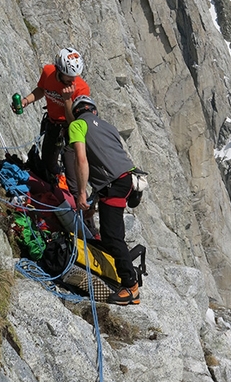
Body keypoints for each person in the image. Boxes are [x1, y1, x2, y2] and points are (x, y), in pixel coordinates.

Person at [68, 95, 140, 306]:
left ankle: (130, 286)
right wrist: (95, 201)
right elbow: (110, 159)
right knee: (114, 230)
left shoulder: (77, 125)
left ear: (77, 112)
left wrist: (82, 193)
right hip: (127, 180)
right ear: (94, 111)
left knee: (111, 236)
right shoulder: (109, 128)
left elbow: (81, 159)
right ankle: (124, 274)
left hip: (114, 184)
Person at [15, 48, 90, 194]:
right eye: (68, 77)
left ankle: (81, 208)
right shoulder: (48, 72)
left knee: (73, 175)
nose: (72, 80)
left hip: (71, 130)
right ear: (59, 70)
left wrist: (67, 99)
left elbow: (73, 122)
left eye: (75, 76)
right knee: (48, 162)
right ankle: (54, 191)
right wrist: (26, 100)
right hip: (53, 124)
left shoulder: (81, 89)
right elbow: (42, 89)